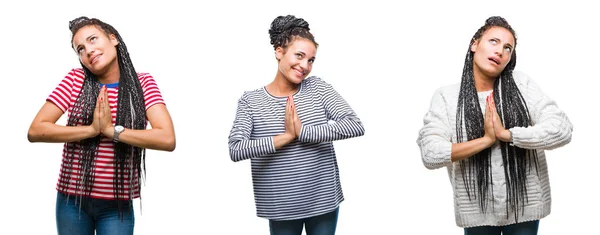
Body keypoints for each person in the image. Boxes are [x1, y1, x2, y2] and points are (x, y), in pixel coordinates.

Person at [417, 16, 573, 235]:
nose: (500, 51)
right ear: (474, 44)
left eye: (508, 48)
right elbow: (430, 153)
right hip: (476, 211)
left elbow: (562, 129)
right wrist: (486, 140)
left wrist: (507, 134)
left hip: (525, 208)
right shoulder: (447, 97)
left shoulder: (521, 85)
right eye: (494, 41)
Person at [27, 16, 176, 235]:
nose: (88, 50)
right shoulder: (75, 80)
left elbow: (167, 138)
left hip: (117, 205)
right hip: (71, 202)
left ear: (113, 38)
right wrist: (91, 130)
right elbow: (36, 130)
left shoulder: (142, 84)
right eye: (80, 48)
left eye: (93, 39)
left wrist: (111, 131)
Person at [227, 15, 365, 235]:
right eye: (299, 56)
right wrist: (285, 137)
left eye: (311, 60)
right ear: (279, 51)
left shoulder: (317, 88)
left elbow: (354, 125)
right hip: (280, 205)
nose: (305, 66)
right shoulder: (251, 101)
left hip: (323, 200)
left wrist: (303, 132)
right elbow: (235, 149)